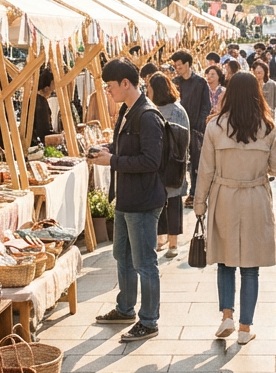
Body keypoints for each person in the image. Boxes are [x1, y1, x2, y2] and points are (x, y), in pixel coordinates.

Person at [194, 71, 276, 345]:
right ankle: (245, 328)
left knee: (225, 260)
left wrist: (199, 204)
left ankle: (227, 316)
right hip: (256, 196)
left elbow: (205, 170)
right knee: (251, 266)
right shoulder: (268, 126)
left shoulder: (214, 126)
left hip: (224, 196)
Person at [90, 59, 166, 343]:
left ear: (125, 83)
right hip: (126, 198)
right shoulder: (126, 110)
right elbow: (125, 147)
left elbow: (151, 160)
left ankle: (149, 320)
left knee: (145, 262)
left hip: (144, 200)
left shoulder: (147, 115)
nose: (108, 91)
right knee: (122, 256)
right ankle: (125, 308)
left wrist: (112, 161)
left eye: (110, 86)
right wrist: (105, 150)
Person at [148, 73, 188, 260]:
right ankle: (162, 238)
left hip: (172, 164)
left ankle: (172, 242)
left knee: (172, 202)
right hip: (164, 164)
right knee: (165, 202)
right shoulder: (157, 109)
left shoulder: (174, 111)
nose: (147, 92)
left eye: (149, 88)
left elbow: (179, 139)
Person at [169, 50, 210, 209]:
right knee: (178, 160)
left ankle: (194, 193)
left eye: (179, 66)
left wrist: (200, 125)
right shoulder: (175, 82)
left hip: (195, 128)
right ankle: (179, 190)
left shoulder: (200, 83)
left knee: (195, 162)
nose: (177, 69)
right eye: (176, 66)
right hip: (177, 129)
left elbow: (206, 106)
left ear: (187, 64)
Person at [30, 67, 56, 146]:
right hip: (36, 143)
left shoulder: (36, 99)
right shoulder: (40, 102)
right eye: (53, 84)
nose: (54, 88)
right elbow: (43, 130)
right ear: (47, 87)